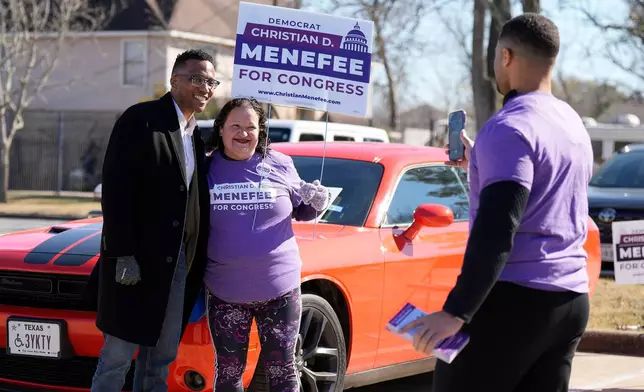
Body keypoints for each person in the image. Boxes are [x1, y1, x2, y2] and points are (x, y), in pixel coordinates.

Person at [402, 13, 594, 392]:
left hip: (514, 302)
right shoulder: (571, 122)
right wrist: (480, 162)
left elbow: (497, 229)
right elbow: (545, 192)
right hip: (571, 300)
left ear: (505, 56)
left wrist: (456, 312)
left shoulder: (508, 127)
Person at [87, 49, 217, 391]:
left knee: (159, 361)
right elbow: (115, 191)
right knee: (117, 357)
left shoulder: (195, 135)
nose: (205, 87)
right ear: (174, 81)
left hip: (178, 265)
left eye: (211, 82)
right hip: (135, 264)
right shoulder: (140, 120)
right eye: (197, 78)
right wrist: (123, 254)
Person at [204, 98, 330, 392]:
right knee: (228, 374)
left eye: (252, 127)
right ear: (221, 128)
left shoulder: (281, 163)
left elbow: (303, 210)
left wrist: (317, 202)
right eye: (235, 125)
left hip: (279, 290)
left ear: (261, 131)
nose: (244, 133)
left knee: (283, 372)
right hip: (226, 291)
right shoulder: (206, 167)